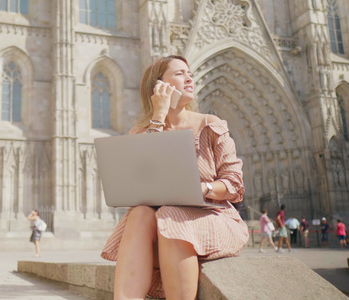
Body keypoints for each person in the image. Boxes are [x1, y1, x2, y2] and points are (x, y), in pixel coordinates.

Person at [100, 55, 249, 299]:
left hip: (212, 215)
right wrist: (158, 118)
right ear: (159, 86)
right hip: (159, 225)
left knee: (169, 214)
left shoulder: (210, 125)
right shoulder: (141, 132)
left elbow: (234, 184)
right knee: (139, 213)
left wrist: (202, 188)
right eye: (179, 74)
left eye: (189, 73)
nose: (189, 77)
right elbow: (137, 186)